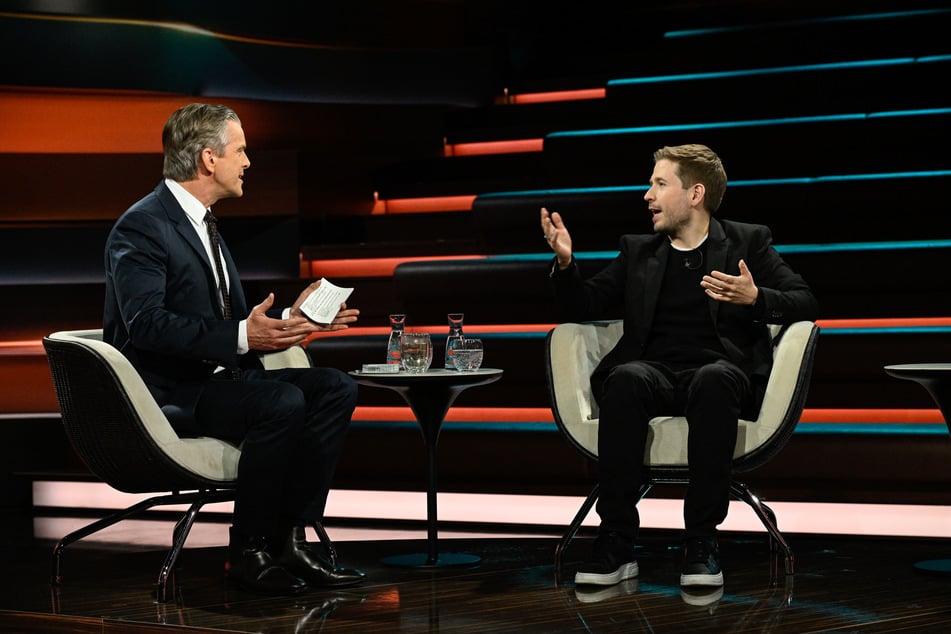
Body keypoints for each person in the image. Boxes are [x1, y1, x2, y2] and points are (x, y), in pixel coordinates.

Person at [103, 103, 366, 595]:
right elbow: (146, 325)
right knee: (281, 400)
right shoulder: (142, 226)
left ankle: (289, 540)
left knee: (334, 387)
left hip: (220, 382)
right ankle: (249, 550)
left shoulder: (205, 224)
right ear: (209, 158)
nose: (247, 162)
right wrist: (246, 336)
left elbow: (225, 321)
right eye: (240, 151)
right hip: (169, 392)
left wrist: (289, 322)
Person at [541, 143, 817, 589]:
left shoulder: (748, 242)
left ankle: (701, 542)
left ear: (695, 194)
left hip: (719, 374)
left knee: (715, 380)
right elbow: (584, 304)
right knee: (625, 379)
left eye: (659, 184)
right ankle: (615, 541)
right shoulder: (638, 251)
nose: (647, 195)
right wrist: (566, 262)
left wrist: (755, 299)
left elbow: (805, 301)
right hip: (653, 373)